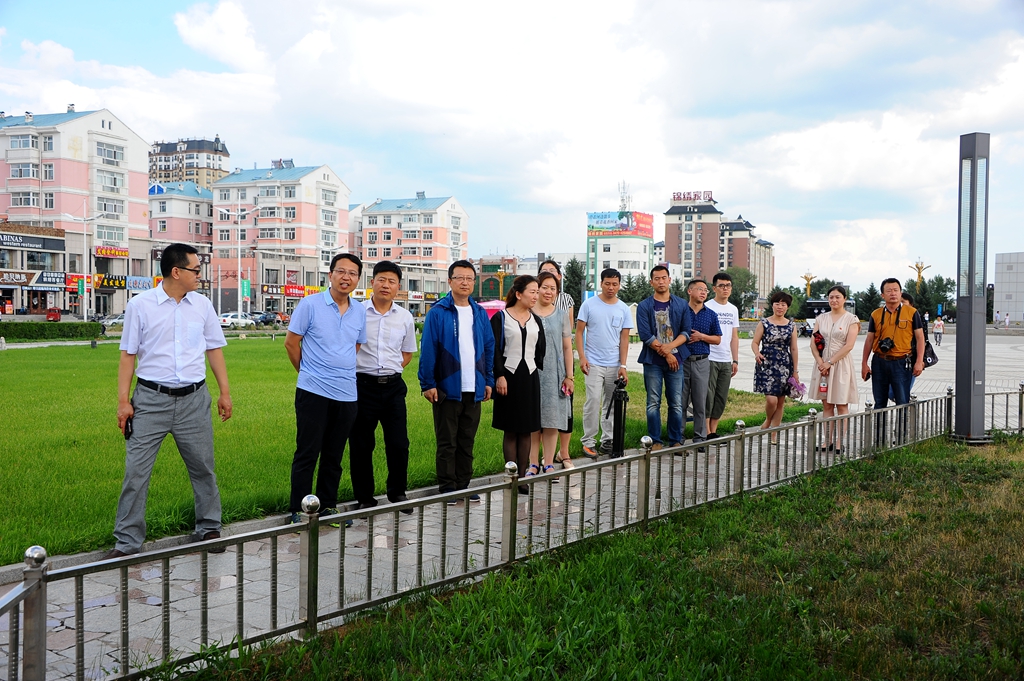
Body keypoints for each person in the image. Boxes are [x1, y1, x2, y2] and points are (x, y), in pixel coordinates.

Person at [108, 243, 232, 559]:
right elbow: (127, 356)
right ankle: (127, 542)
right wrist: (123, 401)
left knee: (203, 468)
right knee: (136, 472)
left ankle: (209, 528)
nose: (200, 276)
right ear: (176, 272)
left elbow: (214, 349)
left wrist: (225, 392)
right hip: (150, 401)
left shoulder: (202, 305)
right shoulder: (141, 306)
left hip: (194, 400)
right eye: (195, 270)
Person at [284, 253, 367, 525]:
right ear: (330, 275)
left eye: (352, 273)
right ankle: (299, 509)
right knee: (307, 452)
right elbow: (291, 343)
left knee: (334, 453)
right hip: (313, 391)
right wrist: (308, 372)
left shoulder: (359, 311)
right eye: (341, 271)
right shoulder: (310, 304)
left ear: (358, 279)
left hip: (347, 393)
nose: (346, 277)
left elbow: (355, 346)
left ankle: (328, 505)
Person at [419, 260, 495, 499]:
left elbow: (489, 348)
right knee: (447, 441)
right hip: (447, 387)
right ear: (450, 281)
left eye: (469, 278)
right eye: (460, 278)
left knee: (466, 440)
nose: (465, 282)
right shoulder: (438, 312)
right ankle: (448, 488)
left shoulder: (479, 313)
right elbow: (428, 349)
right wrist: (428, 383)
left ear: (474, 282)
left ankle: (463, 485)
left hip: (475, 386)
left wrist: (489, 380)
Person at [350, 261, 418, 514]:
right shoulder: (356, 312)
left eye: (391, 281)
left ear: (398, 286)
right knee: (361, 444)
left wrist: (390, 369)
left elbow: (407, 353)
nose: (386, 285)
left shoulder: (404, 317)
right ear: (372, 282)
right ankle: (364, 497)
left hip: (393, 387)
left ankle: (398, 493)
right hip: (362, 385)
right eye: (381, 279)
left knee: (399, 443)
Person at [491, 276, 546, 491]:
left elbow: (540, 349)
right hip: (508, 376)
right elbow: (494, 349)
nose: (536, 296)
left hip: (529, 376)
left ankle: (522, 479)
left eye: (537, 292)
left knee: (526, 429)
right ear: (518, 294)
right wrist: (499, 375)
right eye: (532, 291)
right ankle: (511, 475)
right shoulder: (501, 317)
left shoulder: (536, 320)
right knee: (511, 429)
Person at [576, 268, 632, 458]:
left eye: (615, 284)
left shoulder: (623, 308)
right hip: (593, 363)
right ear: (601, 283)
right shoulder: (589, 305)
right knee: (593, 401)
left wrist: (623, 366)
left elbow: (624, 339)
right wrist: (582, 357)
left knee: (611, 403)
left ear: (619, 285)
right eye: (607, 283)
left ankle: (608, 440)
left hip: (614, 364)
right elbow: (579, 332)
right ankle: (588, 442)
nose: (611, 287)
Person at [636, 265, 691, 449]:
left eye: (664, 278)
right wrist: (667, 354)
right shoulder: (644, 306)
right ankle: (655, 440)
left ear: (670, 280)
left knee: (676, 403)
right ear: (651, 282)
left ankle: (675, 440)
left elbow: (686, 332)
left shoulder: (681, 304)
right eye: (657, 278)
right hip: (653, 362)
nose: (661, 281)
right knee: (653, 402)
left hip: (677, 361)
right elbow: (646, 335)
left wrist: (671, 348)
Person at [808, 286, 860, 453]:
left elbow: (849, 345)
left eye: (837, 297)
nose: (834, 300)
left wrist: (830, 362)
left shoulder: (851, 319)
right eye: (831, 297)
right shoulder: (821, 318)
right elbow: (813, 343)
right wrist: (821, 362)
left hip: (840, 364)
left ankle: (839, 442)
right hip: (822, 365)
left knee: (841, 403)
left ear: (844, 299)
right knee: (827, 404)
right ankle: (827, 440)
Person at [860, 277, 925, 411]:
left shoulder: (912, 312)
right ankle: (880, 426)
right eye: (889, 291)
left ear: (901, 293)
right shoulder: (876, 314)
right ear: (882, 295)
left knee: (902, 401)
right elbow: (869, 340)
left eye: (896, 290)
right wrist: (864, 363)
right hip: (879, 362)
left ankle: (902, 426)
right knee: (879, 402)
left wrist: (919, 361)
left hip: (901, 362)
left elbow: (920, 338)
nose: (893, 293)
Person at [534, 271, 575, 471]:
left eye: (553, 288)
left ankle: (549, 463)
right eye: (545, 287)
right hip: (532, 373)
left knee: (552, 420)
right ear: (537, 289)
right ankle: (532, 463)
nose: (548, 292)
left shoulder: (561, 315)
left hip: (555, 374)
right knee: (533, 420)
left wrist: (569, 376)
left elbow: (567, 347)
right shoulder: (527, 312)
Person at [752, 291, 799, 442]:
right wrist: (757, 353)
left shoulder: (791, 325)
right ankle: (767, 420)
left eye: (783, 304)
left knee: (780, 402)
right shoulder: (764, 323)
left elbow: (794, 348)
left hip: (784, 365)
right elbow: (755, 342)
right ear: (772, 305)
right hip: (766, 363)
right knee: (771, 400)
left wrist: (795, 371)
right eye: (777, 303)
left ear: (787, 307)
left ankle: (774, 433)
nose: (780, 307)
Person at [682, 279, 722, 448]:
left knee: (700, 402)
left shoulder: (711, 314)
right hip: (682, 361)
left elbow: (718, 339)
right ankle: (678, 439)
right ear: (690, 291)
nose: (704, 292)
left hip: (702, 361)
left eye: (706, 290)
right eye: (700, 289)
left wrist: (702, 337)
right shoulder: (681, 311)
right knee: (680, 402)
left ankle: (700, 439)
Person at [705, 272, 740, 439]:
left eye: (728, 286)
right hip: (709, 358)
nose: (725, 289)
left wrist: (735, 360)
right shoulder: (707, 306)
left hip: (726, 360)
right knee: (708, 396)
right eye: (721, 286)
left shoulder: (733, 309)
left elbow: (734, 337)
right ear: (714, 288)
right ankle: (706, 432)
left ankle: (714, 430)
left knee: (721, 397)